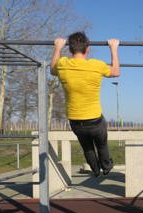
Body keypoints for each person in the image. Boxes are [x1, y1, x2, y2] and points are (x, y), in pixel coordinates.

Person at [50, 32, 120, 177]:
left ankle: (95, 169)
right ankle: (106, 166)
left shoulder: (63, 64)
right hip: (94, 119)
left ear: (70, 49)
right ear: (87, 48)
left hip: (75, 121)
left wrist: (57, 47)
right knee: (101, 145)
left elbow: (52, 69)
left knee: (87, 147)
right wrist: (113, 48)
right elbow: (116, 71)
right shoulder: (96, 65)